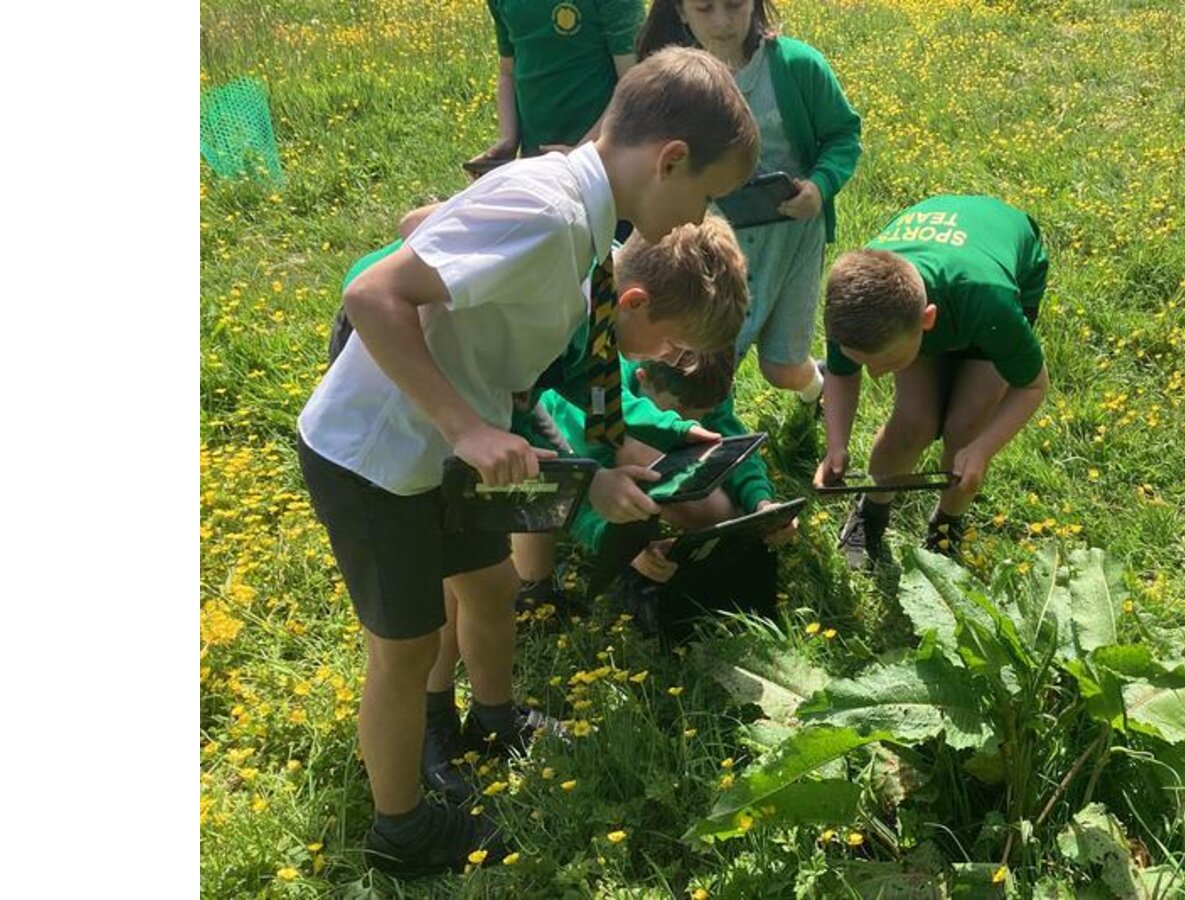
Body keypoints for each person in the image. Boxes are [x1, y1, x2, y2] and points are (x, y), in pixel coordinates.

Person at [295, 47, 758, 878]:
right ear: (670, 159)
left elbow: (434, 236)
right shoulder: (548, 210)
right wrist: (466, 429)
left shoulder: (585, 224)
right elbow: (372, 295)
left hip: (438, 452)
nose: (701, 213)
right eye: (707, 193)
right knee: (407, 647)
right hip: (377, 454)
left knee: (490, 587)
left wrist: (599, 473)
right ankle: (403, 830)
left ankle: (494, 719)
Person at [636, 0, 860, 407]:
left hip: (792, 238)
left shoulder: (796, 66)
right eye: (704, 9)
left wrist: (819, 187)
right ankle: (703, 437)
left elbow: (843, 134)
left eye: (735, 5)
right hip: (714, 247)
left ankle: (818, 389)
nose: (722, 22)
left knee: (782, 368)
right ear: (681, 12)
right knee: (704, 365)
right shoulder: (674, 84)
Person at [813, 195, 1052, 570]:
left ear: (926, 320)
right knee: (912, 423)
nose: (877, 375)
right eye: (866, 363)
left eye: (887, 362)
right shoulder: (852, 306)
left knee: (967, 428)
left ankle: (946, 523)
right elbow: (842, 373)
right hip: (941, 293)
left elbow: (1033, 386)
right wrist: (836, 445)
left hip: (982, 291)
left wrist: (983, 448)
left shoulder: (991, 303)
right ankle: (871, 510)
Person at [541, 346, 797, 636]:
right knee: (627, 453)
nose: (688, 424)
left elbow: (734, 445)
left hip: (592, 457)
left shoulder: (704, 382)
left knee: (725, 516)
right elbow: (567, 492)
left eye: (702, 416)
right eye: (679, 414)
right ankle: (537, 587)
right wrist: (621, 548)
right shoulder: (592, 405)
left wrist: (761, 502)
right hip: (545, 457)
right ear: (643, 378)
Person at [469, 0, 646, 167]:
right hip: (535, 163)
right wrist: (508, 138)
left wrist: (582, 153)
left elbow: (633, 86)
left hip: (603, 164)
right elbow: (508, 72)